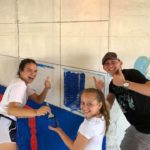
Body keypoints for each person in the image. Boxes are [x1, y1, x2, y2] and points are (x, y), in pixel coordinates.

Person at [94, 52, 150, 150]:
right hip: (136, 126)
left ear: (120, 63)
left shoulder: (132, 73)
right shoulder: (112, 84)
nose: (110, 65)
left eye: (113, 62)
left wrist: (124, 83)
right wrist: (99, 91)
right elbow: (107, 107)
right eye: (106, 63)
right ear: (104, 68)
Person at [0, 58, 51, 150]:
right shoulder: (20, 85)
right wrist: (36, 112)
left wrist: (46, 88)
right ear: (21, 71)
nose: (33, 73)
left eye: (35, 71)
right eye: (29, 70)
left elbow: (39, 100)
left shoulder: (23, 84)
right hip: (4, 123)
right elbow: (11, 110)